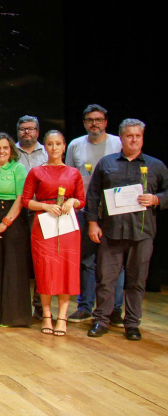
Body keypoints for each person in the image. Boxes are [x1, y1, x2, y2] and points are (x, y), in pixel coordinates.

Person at [87, 119, 167, 341]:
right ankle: (101, 319)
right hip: (111, 233)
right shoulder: (107, 163)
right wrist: (93, 223)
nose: (134, 139)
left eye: (138, 136)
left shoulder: (156, 165)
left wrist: (156, 199)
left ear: (142, 138)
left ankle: (132, 323)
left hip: (142, 234)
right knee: (106, 280)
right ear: (121, 138)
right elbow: (93, 196)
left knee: (136, 281)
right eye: (129, 135)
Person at [64, 104, 124, 324]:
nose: (94, 124)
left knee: (115, 262)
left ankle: (115, 309)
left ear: (106, 122)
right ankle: (85, 306)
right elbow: (69, 176)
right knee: (87, 261)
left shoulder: (118, 143)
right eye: (90, 120)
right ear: (84, 123)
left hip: (114, 210)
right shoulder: (76, 145)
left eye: (98, 120)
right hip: (84, 209)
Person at [21, 131, 84, 336]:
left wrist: (72, 201)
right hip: (44, 224)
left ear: (64, 146)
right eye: (50, 144)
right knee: (45, 270)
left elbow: (82, 200)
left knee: (66, 270)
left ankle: (62, 317)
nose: (54, 148)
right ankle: (47, 315)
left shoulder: (73, 172)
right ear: (45, 147)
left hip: (68, 227)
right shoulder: (36, 171)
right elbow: (26, 200)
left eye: (58, 144)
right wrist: (45, 207)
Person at [0, 132, 31, 327]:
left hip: (13, 221)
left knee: (13, 267)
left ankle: (14, 317)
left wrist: (5, 223)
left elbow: (20, 199)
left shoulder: (18, 168)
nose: (2, 151)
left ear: (11, 151)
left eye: (5, 148)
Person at [15, 115, 49, 320]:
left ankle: (39, 306)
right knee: (19, 259)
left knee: (41, 260)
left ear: (38, 131)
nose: (27, 132)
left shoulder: (47, 152)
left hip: (41, 212)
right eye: (23, 129)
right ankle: (19, 305)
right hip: (17, 212)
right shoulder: (10, 151)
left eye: (31, 129)